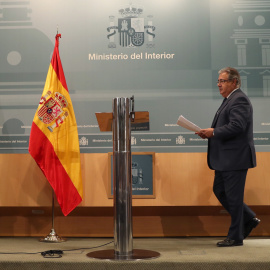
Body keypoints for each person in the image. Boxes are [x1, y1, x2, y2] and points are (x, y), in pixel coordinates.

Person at [196, 67, 260, 247]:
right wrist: (211, 133)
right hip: (225, 159)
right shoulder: (229, 100)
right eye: (218, 81)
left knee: (233, 197)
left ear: (234, 82)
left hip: (235, 158)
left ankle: (235, 237)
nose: (218, 84)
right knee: (221, 191)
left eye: (222, 81)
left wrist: (213, 132)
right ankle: (248, 218)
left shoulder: (239, 99)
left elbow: (237, 126)